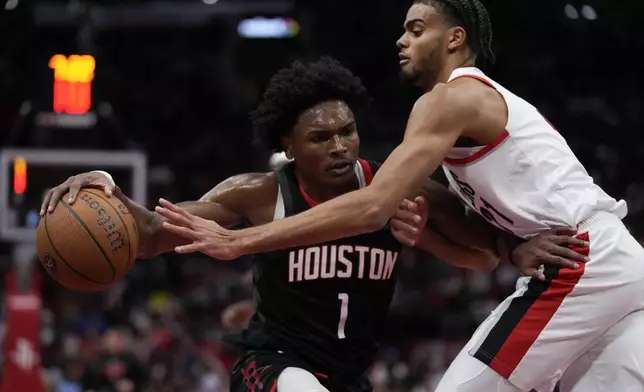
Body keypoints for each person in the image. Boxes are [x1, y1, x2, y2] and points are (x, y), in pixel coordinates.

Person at [155, 2, 644, 392]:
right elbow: (475, 247)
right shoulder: (474, 105)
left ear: (455, 38)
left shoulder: (448, 98)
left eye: (415, 29)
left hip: (581, 258)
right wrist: (512, 246)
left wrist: (244, 242)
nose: (401, 39)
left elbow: (372, 207)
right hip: (619, 261)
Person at [43, 58, 585, 392]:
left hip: (350, 374)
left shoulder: (395, 184)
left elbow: (478, 242)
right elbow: (156, 235)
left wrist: (515, 250)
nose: (340, 146)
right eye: (321, 138)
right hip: (274, 366)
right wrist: (107, 187)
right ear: (288, 146)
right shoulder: (256, 194)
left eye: (347, 131)